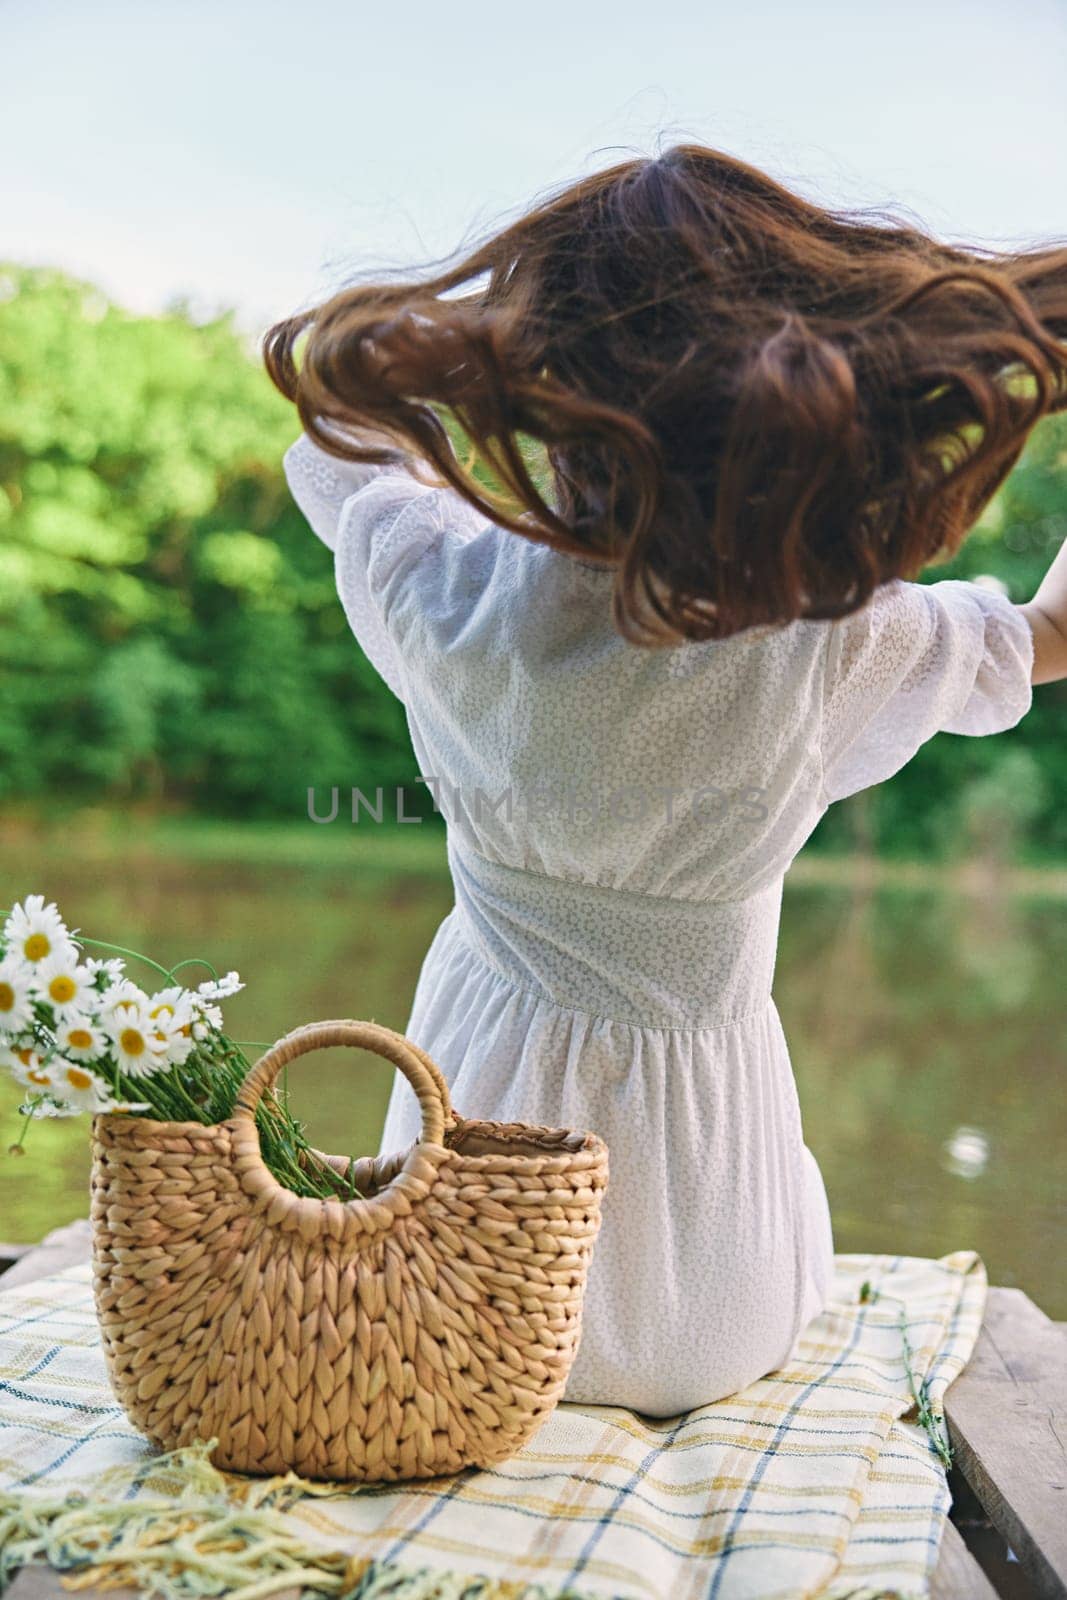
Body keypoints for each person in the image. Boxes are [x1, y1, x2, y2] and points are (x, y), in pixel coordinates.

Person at [267, 143, 1067, 1416]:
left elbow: (337, 430)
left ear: (549, 394)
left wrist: (490, 341)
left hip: (459, 1275)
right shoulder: (831, 641)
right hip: (721, 1294)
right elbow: (1046, 634)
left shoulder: (452, 598)